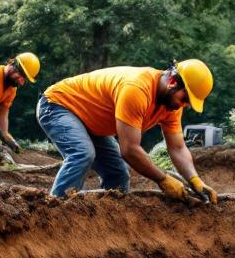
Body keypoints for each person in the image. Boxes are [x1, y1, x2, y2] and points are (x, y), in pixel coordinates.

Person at [37, 60, 216, 202]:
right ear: (172, 82)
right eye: (185, 98)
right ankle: (55, 210)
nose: (184, 105)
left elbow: (177, 148)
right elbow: (129, 149)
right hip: (58, 105)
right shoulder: (137, 89)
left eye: (188, 103)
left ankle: (103, 225)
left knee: (118, 174)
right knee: (83, 153)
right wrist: (163, 180)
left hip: (90, 121)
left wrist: (195, 180)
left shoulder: (172, 106)